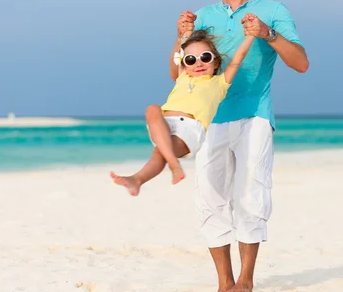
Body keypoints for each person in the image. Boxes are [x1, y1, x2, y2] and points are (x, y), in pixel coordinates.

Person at [170, 0, 310, 292]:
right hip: (210, 119)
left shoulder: (274, 9)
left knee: (251, 195)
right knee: (209, 198)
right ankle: (224, 282)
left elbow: (301, 63)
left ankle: (246, 282)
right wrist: (180, 35)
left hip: (255, 116)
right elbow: (180, 76)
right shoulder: (203, 16)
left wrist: (267, 33)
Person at [110, 21, 257, 196]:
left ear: (216, 61)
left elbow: (238, 57)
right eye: (191, 60)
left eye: (205, 57)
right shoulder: (183, 77)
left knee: (160, 152)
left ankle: (160, 170)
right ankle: (140, 178)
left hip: (190, 129)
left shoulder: (219, 83)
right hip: (164, 124)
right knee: (152, 109)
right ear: (184, 64)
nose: (198, 63)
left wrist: (251, 35)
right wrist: (184, 32)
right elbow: (179, 52)